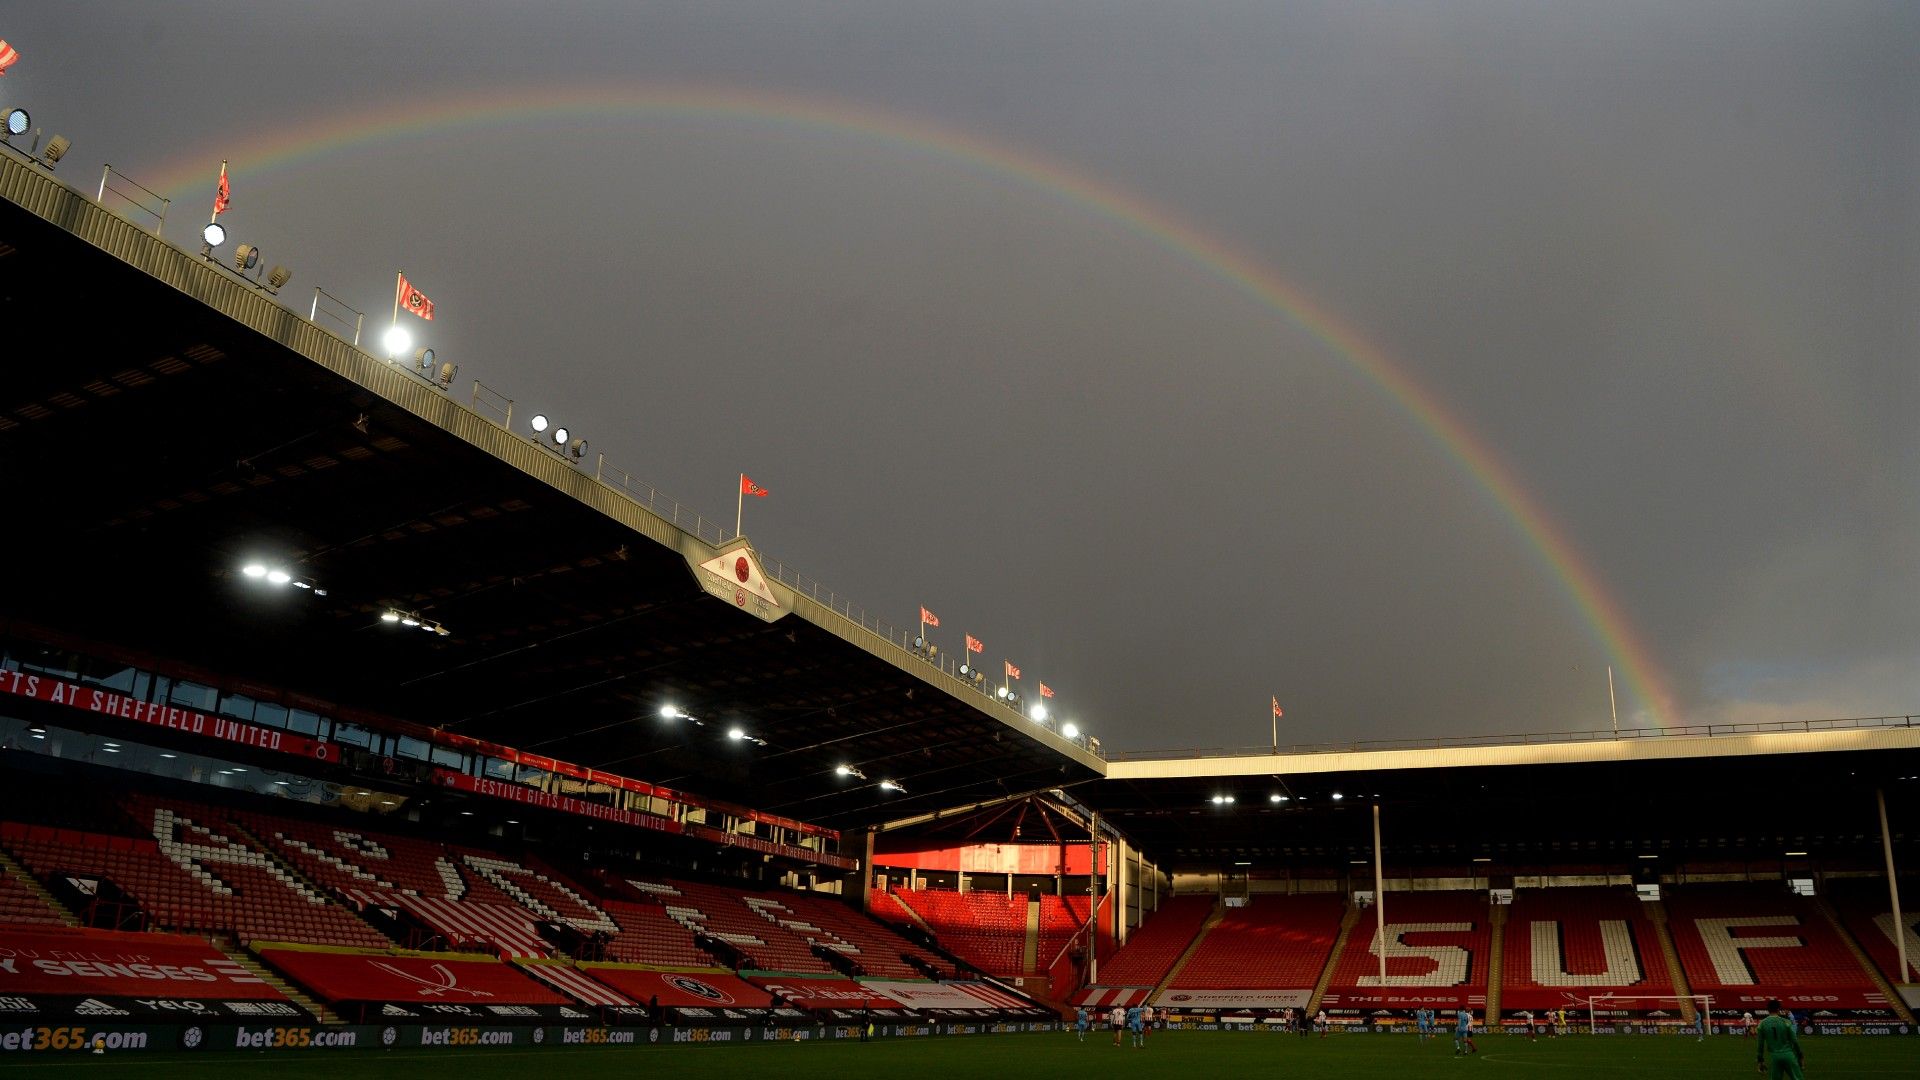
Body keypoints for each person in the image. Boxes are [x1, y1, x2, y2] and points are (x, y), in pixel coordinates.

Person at [1755, 999, 1804, 1080]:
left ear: (1768, 1010)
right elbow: (1794, 1041)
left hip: (1775, 1057)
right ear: (1778, 1009)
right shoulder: (1786, 1022)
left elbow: (1760, 1045)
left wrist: (1760, 1061)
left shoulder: (1762, 1024)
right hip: (1788, 1054)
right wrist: (1800, 1055)